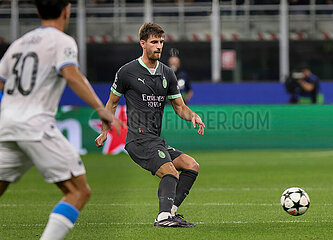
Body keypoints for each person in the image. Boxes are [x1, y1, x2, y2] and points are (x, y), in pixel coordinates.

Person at [0, 1, 121, 240]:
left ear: (37, 12)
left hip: (6, 125)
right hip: (35, 126)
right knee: (78, 191)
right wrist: (100, 108)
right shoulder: (62, 41)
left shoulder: (17, 45)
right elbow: (71, 74)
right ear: (67, 10)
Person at [95, 22, 205, 228]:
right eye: (154, 42)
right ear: (143, 44)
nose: (159, 46)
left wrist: (193, 116)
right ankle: (163, 218)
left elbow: (180, 107)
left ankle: (170, 213)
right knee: (170, 172)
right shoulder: (127, 72)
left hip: (155, 140)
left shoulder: (167, 73)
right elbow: (111, 103)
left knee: (191, 166)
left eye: (161, 42)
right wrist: (104, 131)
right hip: (138, 139)